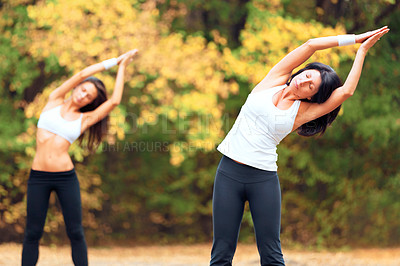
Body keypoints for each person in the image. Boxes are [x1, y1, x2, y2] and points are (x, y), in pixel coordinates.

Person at [210, 26, 389, 266]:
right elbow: (311, 44)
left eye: (310, 87)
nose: (303, 82)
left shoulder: (303, 112)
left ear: (312, 97)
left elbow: (346, 91)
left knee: (271, 255)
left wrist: (362, 51)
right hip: (228, 173)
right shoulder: (273, 80)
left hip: (262, 179)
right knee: (221, 254)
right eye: (307, 75)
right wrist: (354, 39)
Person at [22, 49, 138, 266]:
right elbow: (82, 72)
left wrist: (123, 67)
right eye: (84, 89)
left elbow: (114, 101)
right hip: (38, 177)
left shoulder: (84, 119)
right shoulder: (54, 100)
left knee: (75, 231)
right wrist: (114, 60)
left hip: (65, 178)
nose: (84, 95)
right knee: (33, 233)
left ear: (90, 102)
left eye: (89, 97)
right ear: (77, 87)